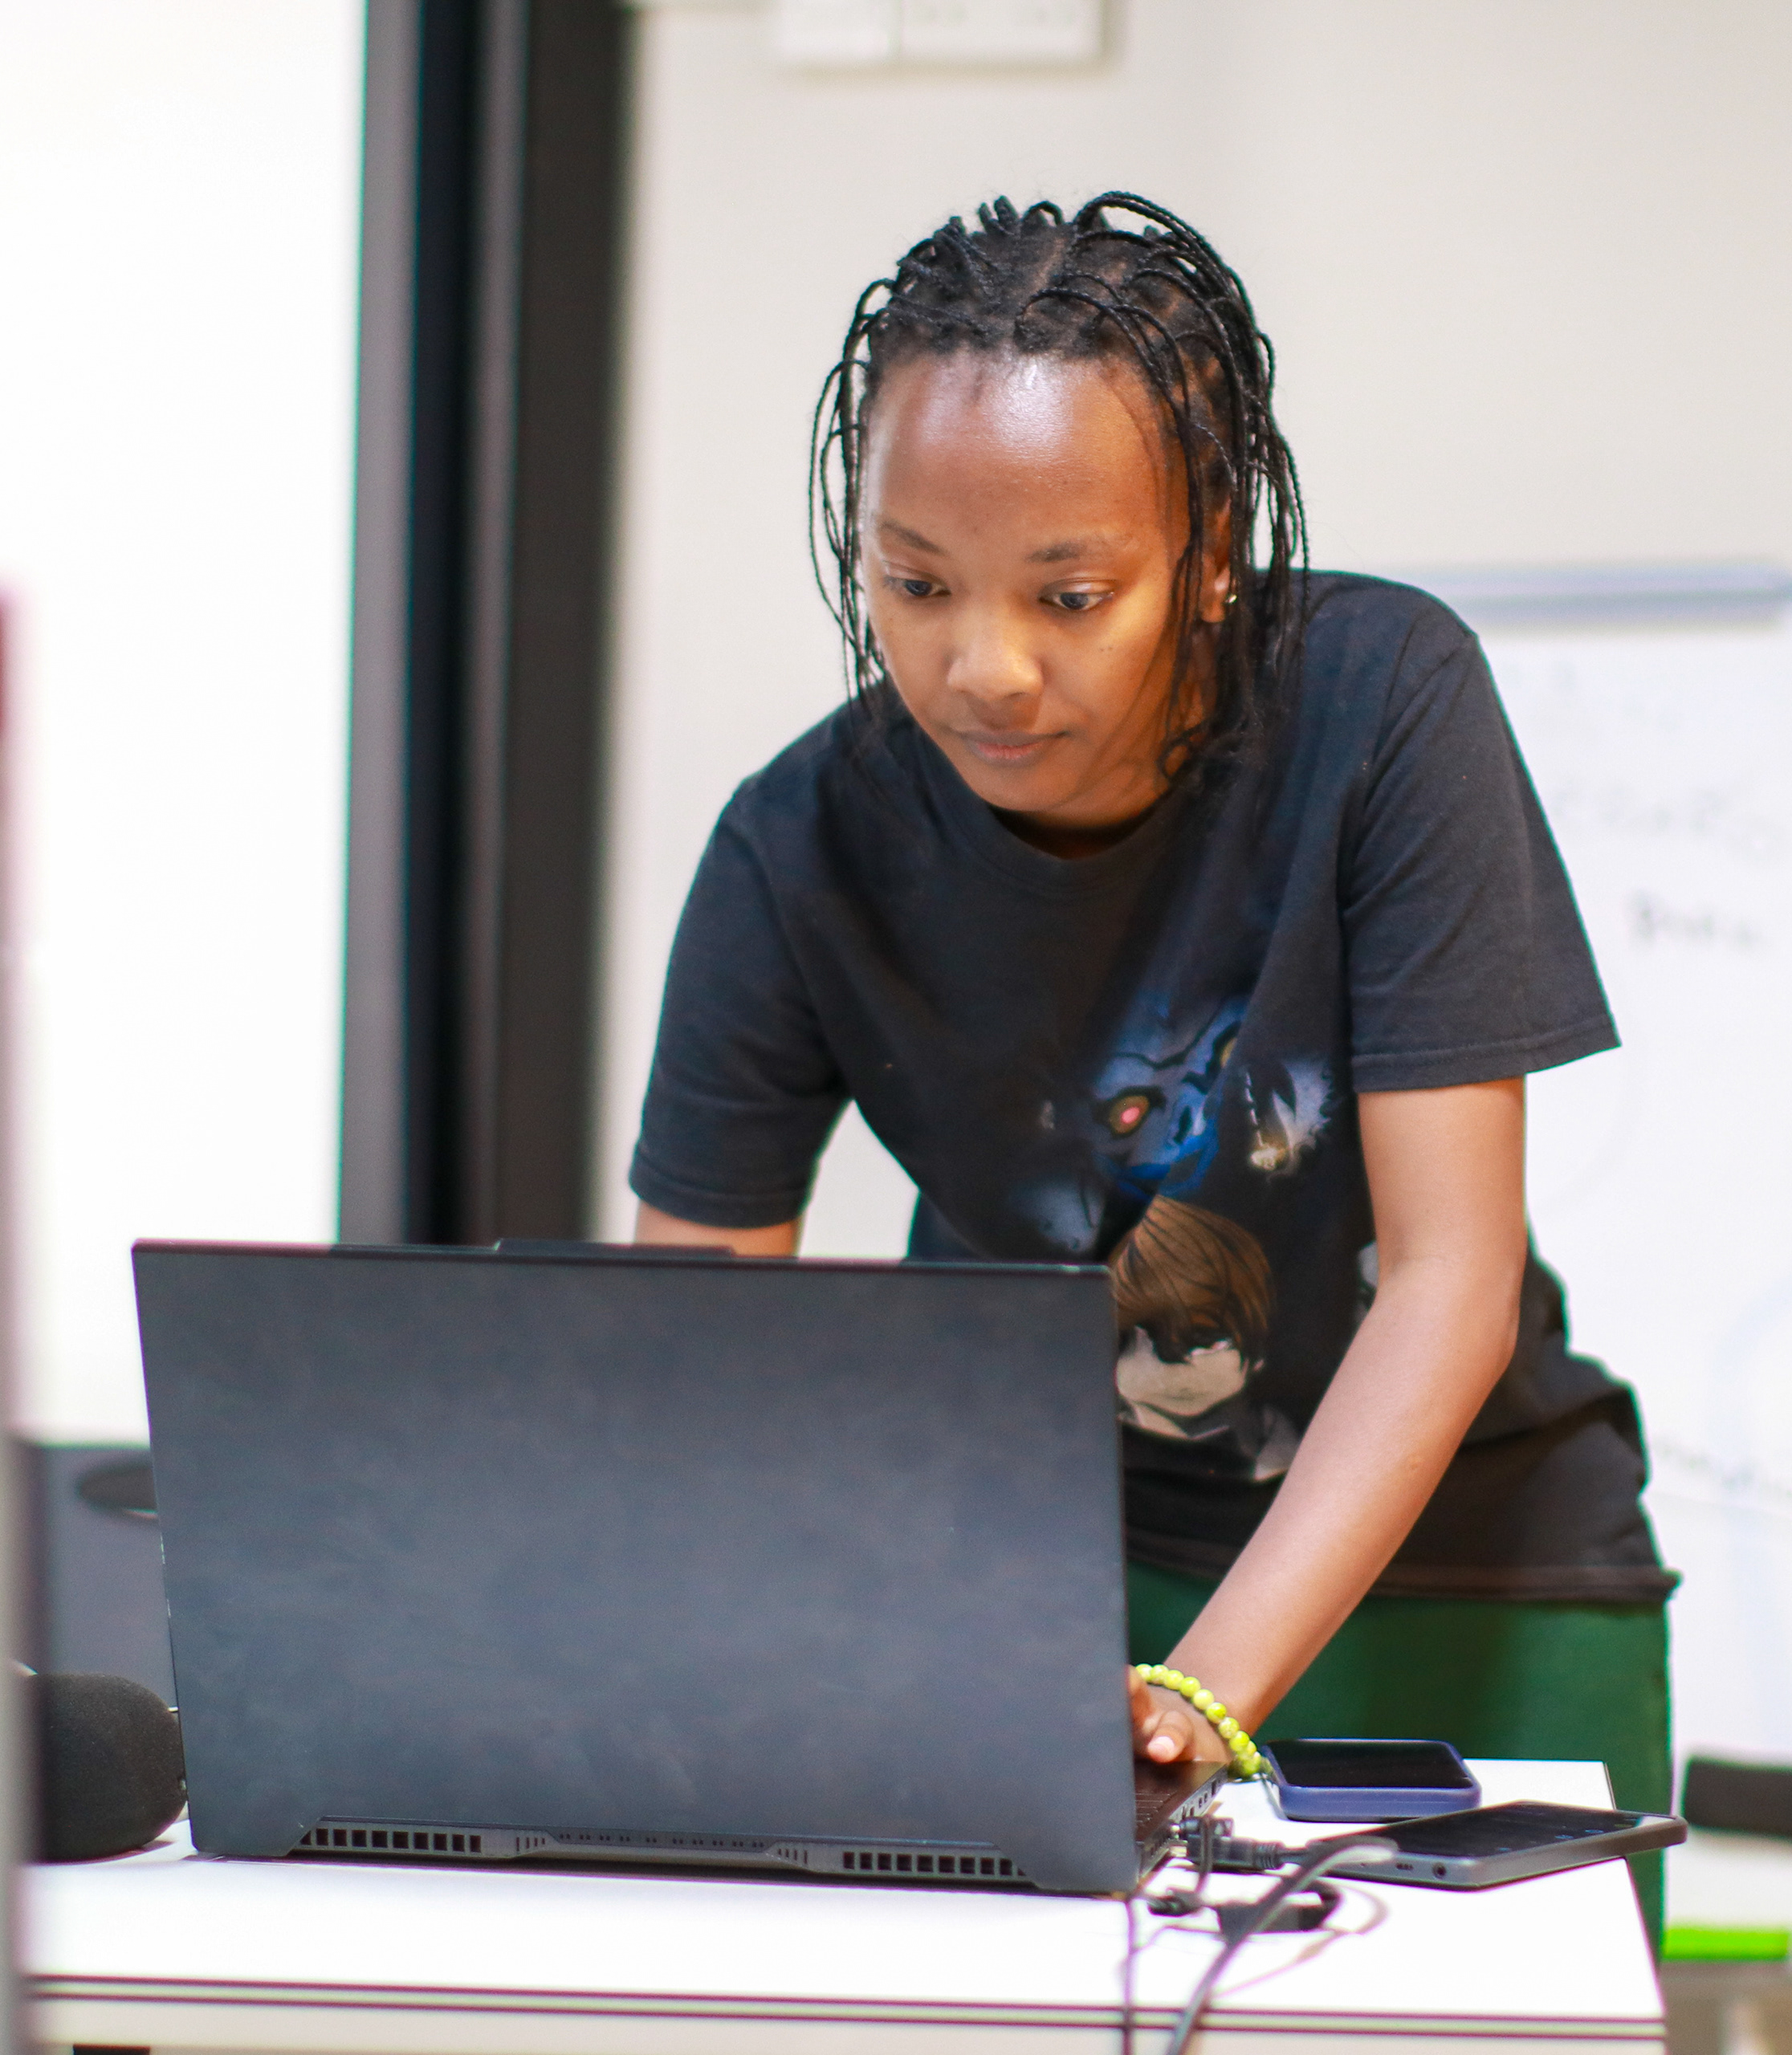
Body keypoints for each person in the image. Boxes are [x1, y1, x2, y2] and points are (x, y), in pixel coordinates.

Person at [629, 193, 1677, 1920]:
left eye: (1071, 593)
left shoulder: (1380, 698)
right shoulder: (795, 842)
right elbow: (696, 1357)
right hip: (1019, 1594)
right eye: (915, 583)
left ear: (1207, 554)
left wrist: (1204, 1693)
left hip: (1460, 1579)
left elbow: (1451, 1278)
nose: (985, 667)